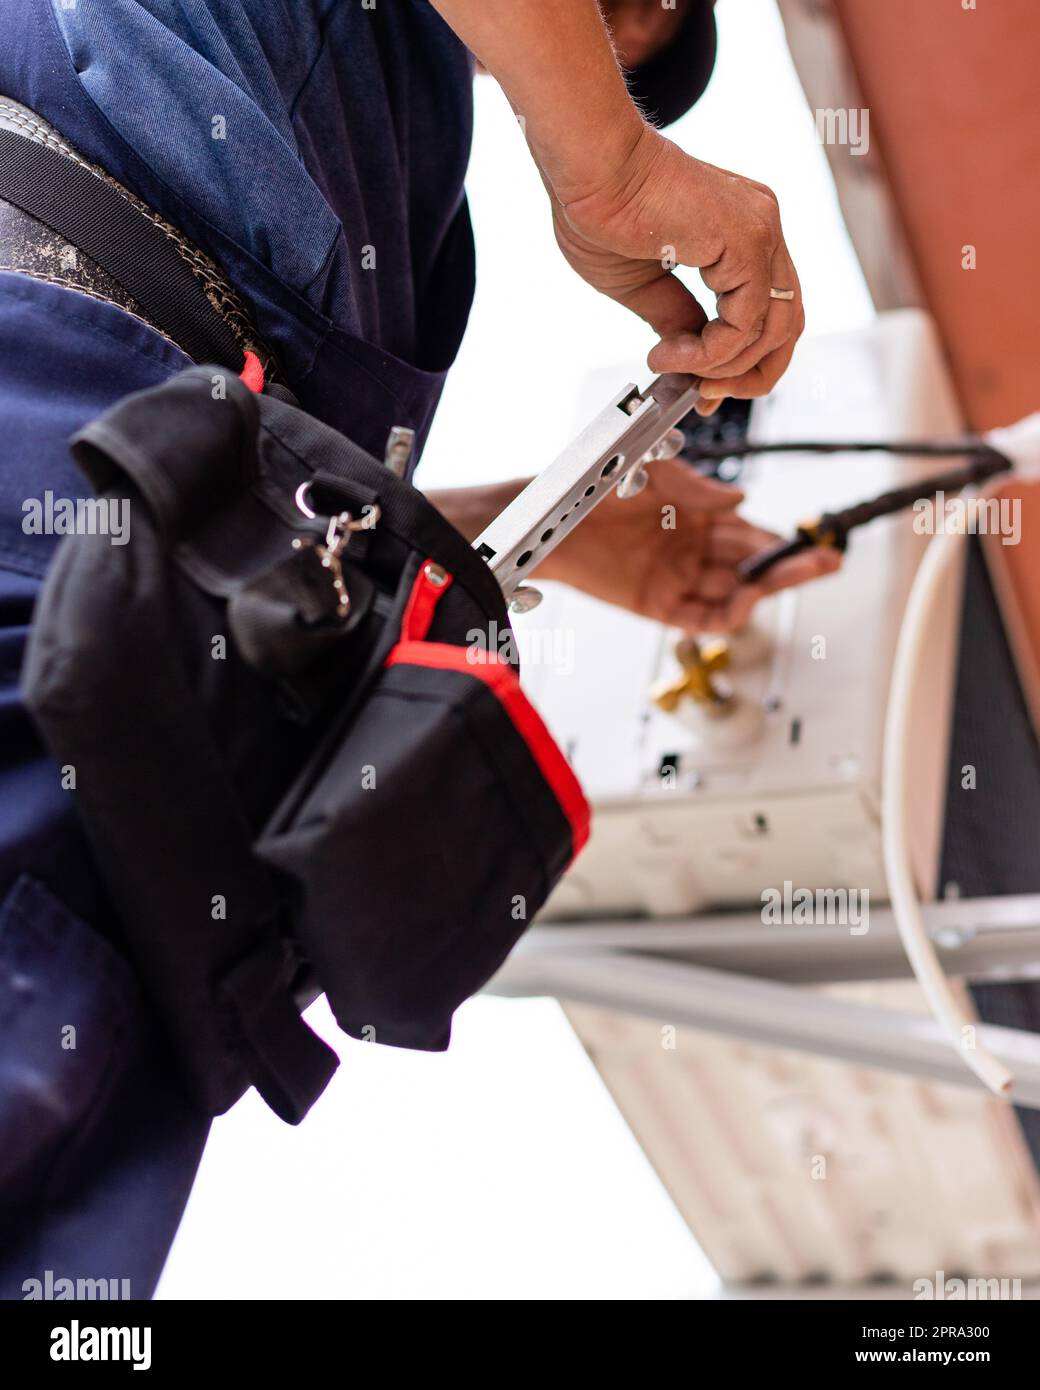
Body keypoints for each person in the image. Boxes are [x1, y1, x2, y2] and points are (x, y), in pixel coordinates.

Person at [0, 0, 836, 1299]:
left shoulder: (408, 184)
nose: (619, 44)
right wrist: (613, 164)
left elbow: (227, 510)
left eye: (637, 59)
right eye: (641, 15)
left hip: (139, 826)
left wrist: (550, 525)